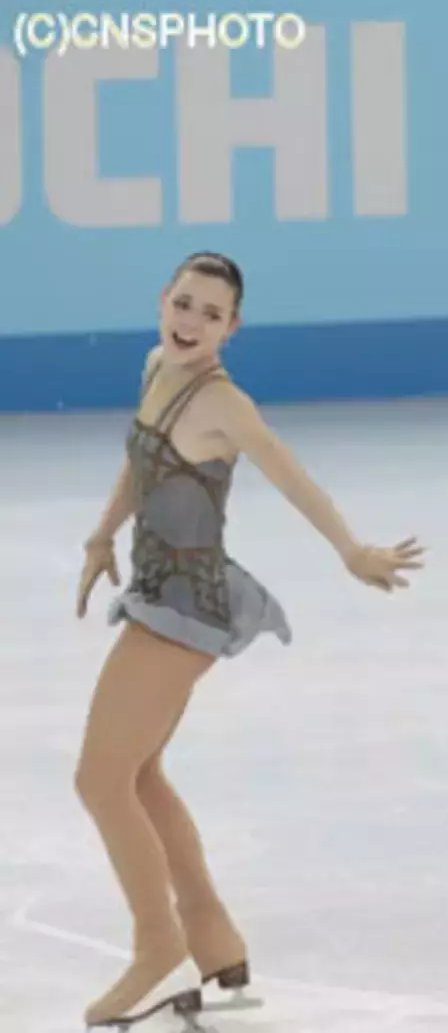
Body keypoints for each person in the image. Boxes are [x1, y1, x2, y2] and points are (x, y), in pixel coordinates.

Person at [74, 251, 425, 1029]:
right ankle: (213, 940)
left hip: (187, 608)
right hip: (157, 593)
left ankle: (158, 945)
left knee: (99, 780)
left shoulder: (224, 403)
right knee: (139, 776)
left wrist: (350, 549)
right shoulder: (156, 367)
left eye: (211, 314)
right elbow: (140, 462)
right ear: (163, 299)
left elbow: (288, 473)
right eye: (184, 303)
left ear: (232, 328)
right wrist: (102, 535)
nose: (191, 322)